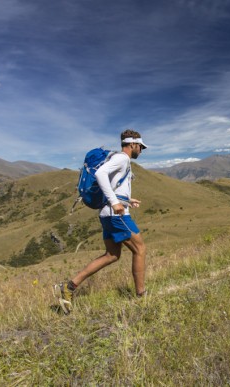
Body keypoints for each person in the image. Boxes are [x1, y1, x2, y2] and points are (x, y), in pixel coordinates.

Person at [54, 129, 148, 315]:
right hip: (116, 214)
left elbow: (114, 185)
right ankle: (141, 295)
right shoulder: (122, 159)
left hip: (107, 212)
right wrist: (115, 202)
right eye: (141, 146)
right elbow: (101, 174)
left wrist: (128, 200)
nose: (142, 150)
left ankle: (69, 286)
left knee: (112, 255)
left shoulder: (120, 160)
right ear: (132, 144)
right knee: (140, 249)